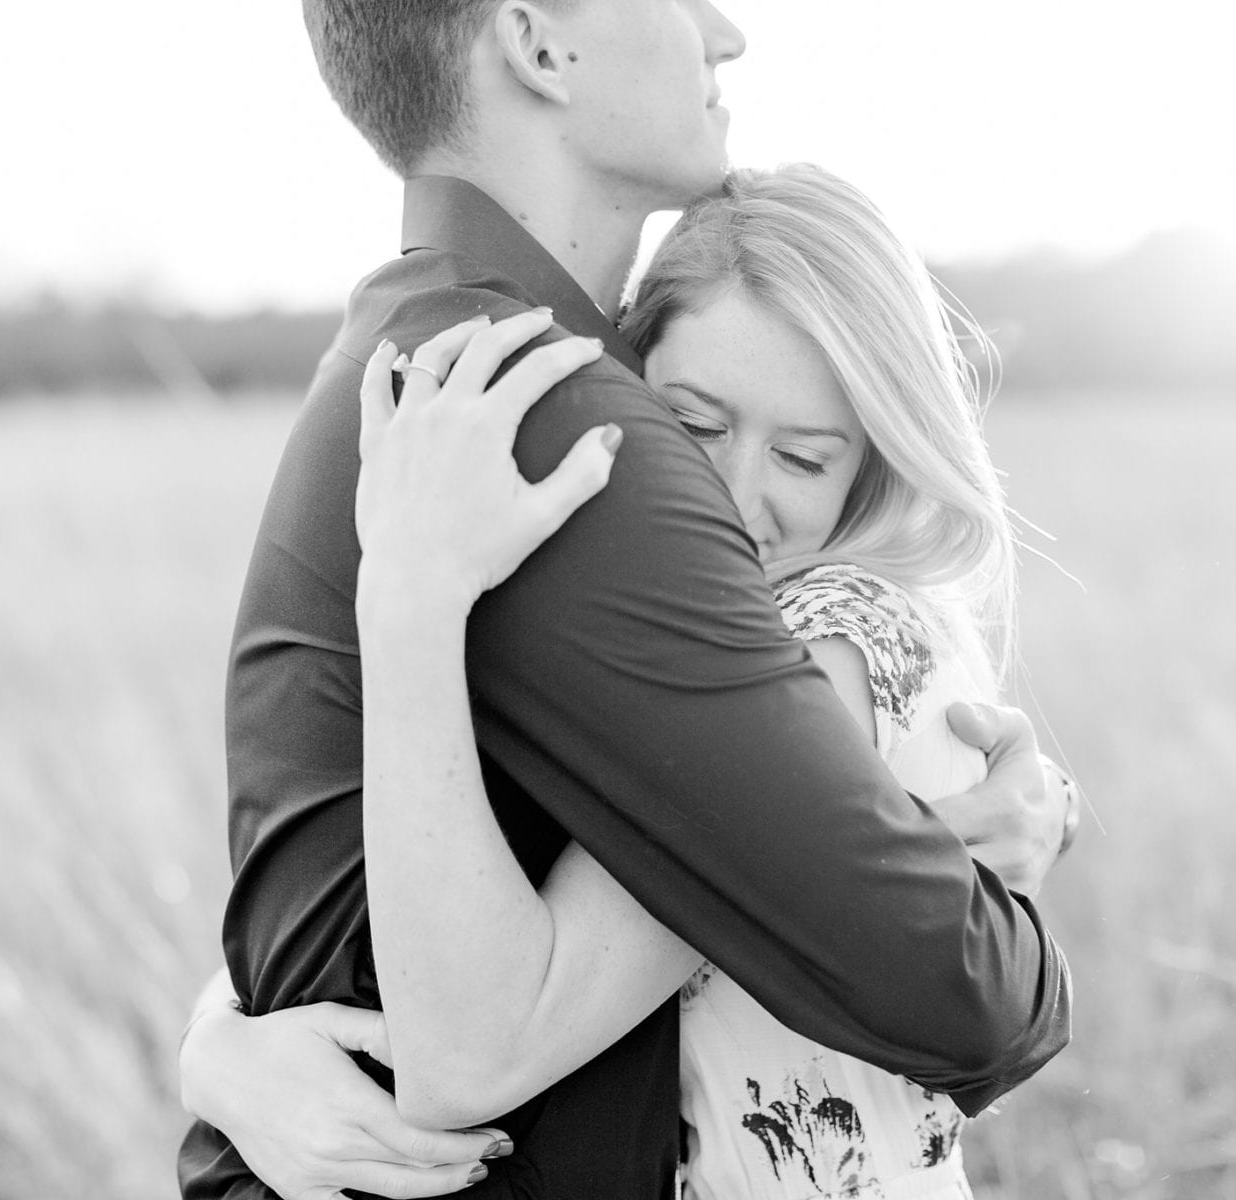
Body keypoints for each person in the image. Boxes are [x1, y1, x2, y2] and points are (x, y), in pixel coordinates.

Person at [178, 3, 1074, 1197]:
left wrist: (221, 1041)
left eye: (805, 457)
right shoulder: (562, 422)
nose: (727, 31)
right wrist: (223, 1045)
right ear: (538, 40)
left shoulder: (401, 352)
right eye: (698, 426)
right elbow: (973, 997)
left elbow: (407, 845)